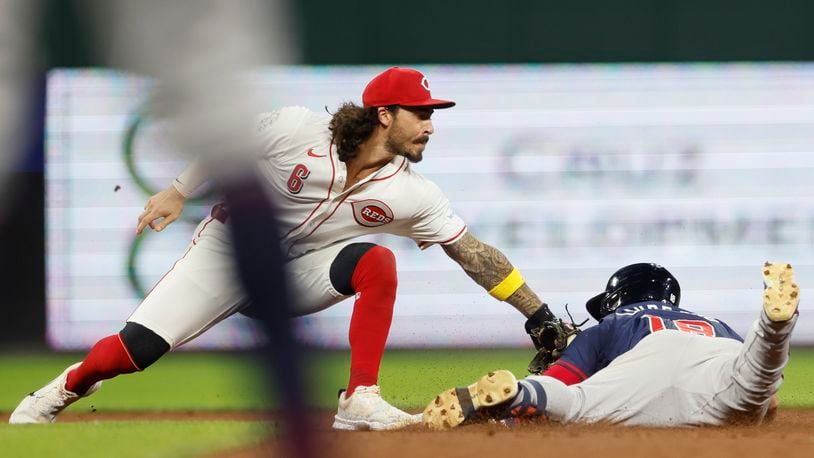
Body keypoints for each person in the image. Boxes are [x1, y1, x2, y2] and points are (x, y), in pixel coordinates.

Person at [10, 66, 565, 431]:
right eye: (420, 114)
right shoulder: (301, 129)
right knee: (134, 352)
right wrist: (178, 191)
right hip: (228, 255)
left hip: (299, 273)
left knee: (376, 262)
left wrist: (536, 312)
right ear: (384, 115)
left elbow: (472, 252)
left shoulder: (412, 193)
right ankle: (59, 392)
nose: (430, 126)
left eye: (432, 116)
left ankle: (358, 399)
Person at [424, 261, 799, 429]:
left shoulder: (615, 323)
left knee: (574, 404)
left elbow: (563, 378)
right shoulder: (713, 323)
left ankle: (519, 393)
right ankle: (772, 328)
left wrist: (523, 409)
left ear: (618, 299)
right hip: (723, 360)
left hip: (645, 364)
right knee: (758, 377)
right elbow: (772, 403)